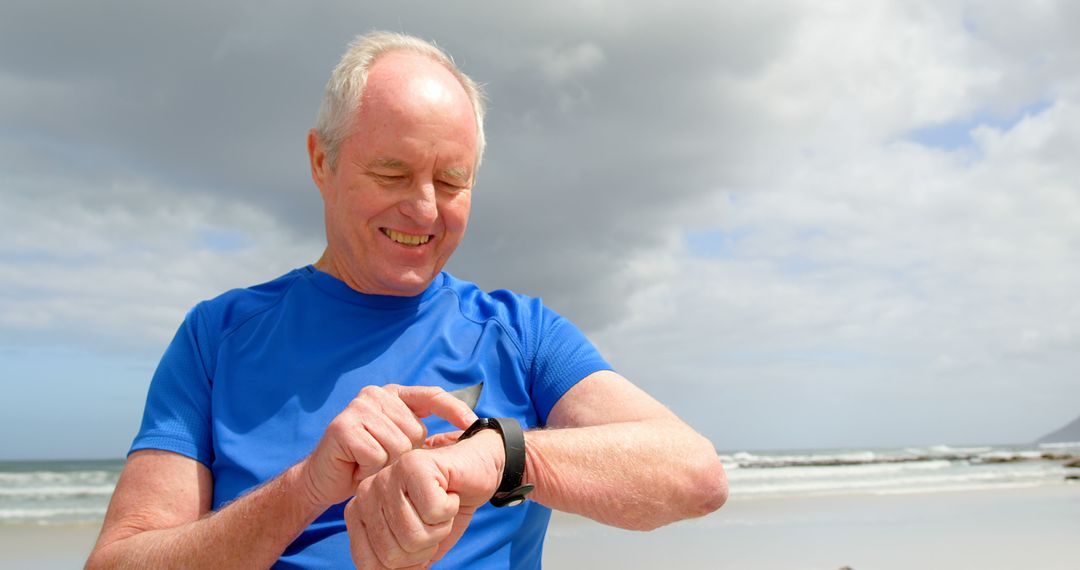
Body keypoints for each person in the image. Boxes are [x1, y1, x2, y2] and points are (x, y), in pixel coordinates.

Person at [87, 31, 727, 569]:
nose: (423, 208)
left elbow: (693, 475)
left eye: (451, 181)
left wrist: (496, 456)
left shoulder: (518, 333)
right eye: (391, 174)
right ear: (321, 161)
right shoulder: (217, 337)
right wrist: (305, 488)